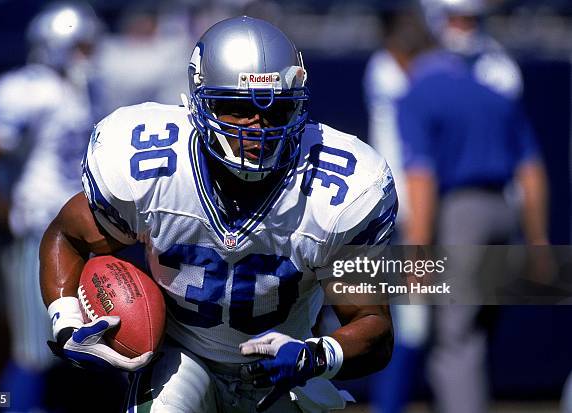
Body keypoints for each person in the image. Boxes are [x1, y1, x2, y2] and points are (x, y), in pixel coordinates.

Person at [40, 16, 397, 412]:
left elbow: (373, 323)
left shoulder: (340, 189)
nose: (257, 126)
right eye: (237, 107)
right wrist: (67, 319)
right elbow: (67, 236)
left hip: (283, 363)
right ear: (200, 101)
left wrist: (315, 356)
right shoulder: (149, 166)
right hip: (182, 356)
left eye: (277, 109)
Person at [0, 2, 103, 412]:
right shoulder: (28, 90)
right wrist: (4, 210)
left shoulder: (81, 89)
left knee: (69, 350)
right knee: (34, 351)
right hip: (41, 234)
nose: (88, 57)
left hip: (77, 235)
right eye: (80, 46)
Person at [397, 29, 549, 413]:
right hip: (503, 214)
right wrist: (537, 241)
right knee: (477, 334)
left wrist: (417, 252)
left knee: (455, 340)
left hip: (461, 218)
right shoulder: (493, 94)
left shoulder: (418, 92)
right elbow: (531, 171)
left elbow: (422, 178)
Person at [362, 5, 432, 413]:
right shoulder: (385, 68)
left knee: (417, 324)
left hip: (410, 209)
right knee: (411, 323)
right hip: (398, 213)